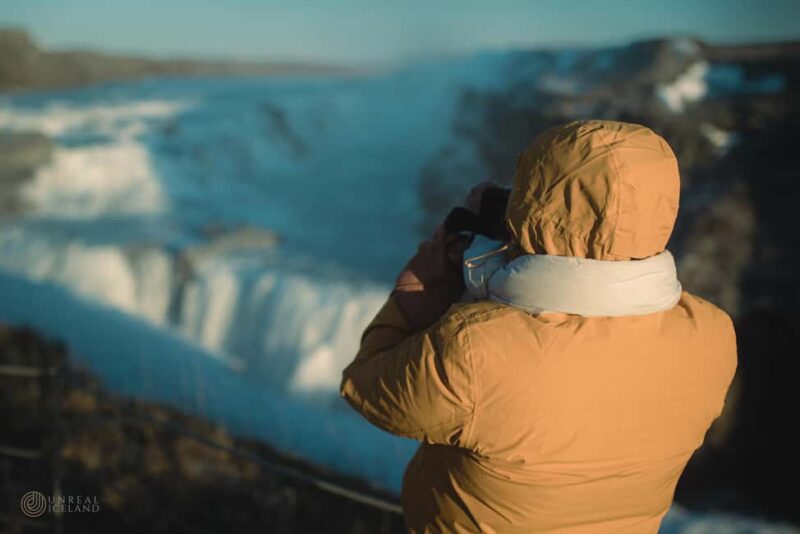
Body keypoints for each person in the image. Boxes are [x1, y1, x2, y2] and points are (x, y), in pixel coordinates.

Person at [340, 120, 737, 533]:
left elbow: (366, 387)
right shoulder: (713, 333)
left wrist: (436, 264)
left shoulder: (473, 351)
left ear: (536, 204)